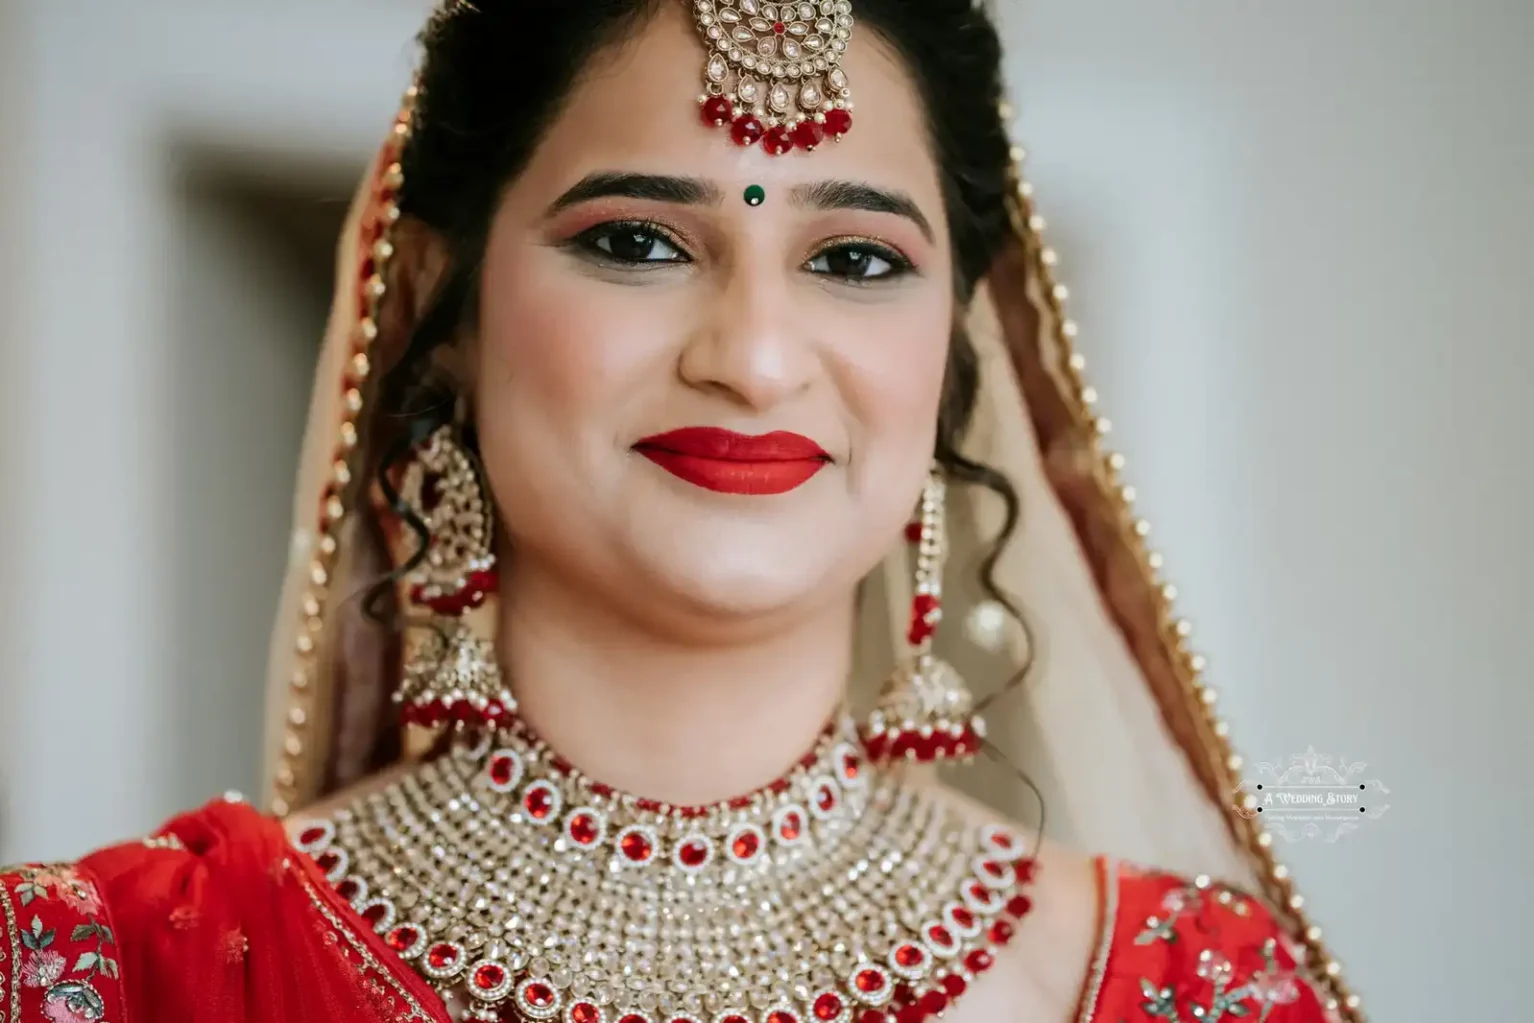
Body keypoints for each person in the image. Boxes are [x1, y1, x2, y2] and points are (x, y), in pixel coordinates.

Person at [0, 2, 1363, 1021]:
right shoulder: (113, 968)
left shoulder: (1186, 986)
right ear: (440, 305)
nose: (757, 355)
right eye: (638, 241)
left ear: (953, 348)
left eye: (855, 257)